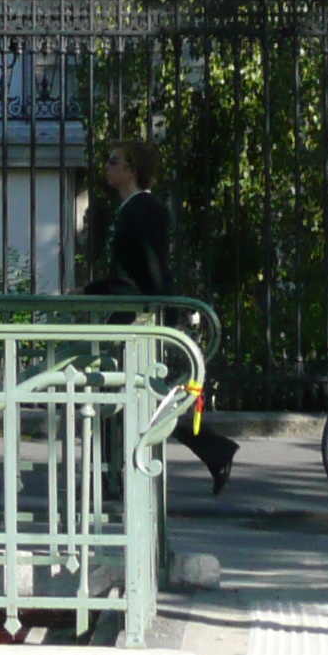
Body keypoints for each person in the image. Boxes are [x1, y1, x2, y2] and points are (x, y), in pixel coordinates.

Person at [91, 137, 239, 495]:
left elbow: (152, 271)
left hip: (135, 318)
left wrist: (168, 317)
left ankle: (116, 477)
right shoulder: (131, 208)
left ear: (132, 170)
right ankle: (211, 450)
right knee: (128, 397)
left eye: (114, 161)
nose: (107, 166)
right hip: (129, 314)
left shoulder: (145, 209)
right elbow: (128, 272)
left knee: (121, 396)